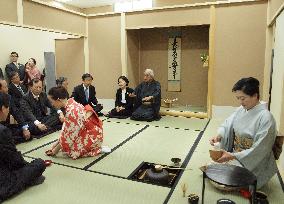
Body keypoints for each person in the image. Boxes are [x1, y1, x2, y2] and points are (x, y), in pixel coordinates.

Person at [209, 77, 277, 189]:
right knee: (212, 171)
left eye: (243, 98)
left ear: (255, 95)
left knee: (222, 183)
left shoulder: (266, 118)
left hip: (252, 161)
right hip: (236, 155)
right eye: (238, 98)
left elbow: (260, 149)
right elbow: (227, 125)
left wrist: (233, 156)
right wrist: (219, 135)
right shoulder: (241, 110)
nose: (240, 102)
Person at [0, 92, 46, 202]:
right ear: (3, 108)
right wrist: (29, 166)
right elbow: (16, 161)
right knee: (39, 163)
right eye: (8, 108)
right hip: (3, 182)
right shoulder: (2, 131)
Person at [45, 86, 111, 159]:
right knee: (66, 146)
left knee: (72, 152)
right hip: (87, 131)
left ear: (58, 100)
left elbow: (68, 136)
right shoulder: (71, 103)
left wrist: (55, 151)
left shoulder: (72, 111)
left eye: (52, 101)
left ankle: (96, 148)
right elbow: (66, 130)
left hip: (91, 135)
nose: (52, 104)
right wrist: (56, 144)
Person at [0, 78, 31, 143]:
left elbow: (16, 113)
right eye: (5, 87)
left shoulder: (8, 97)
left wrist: (25, 129)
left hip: (7, 127)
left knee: (29, 131)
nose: (7, 89)